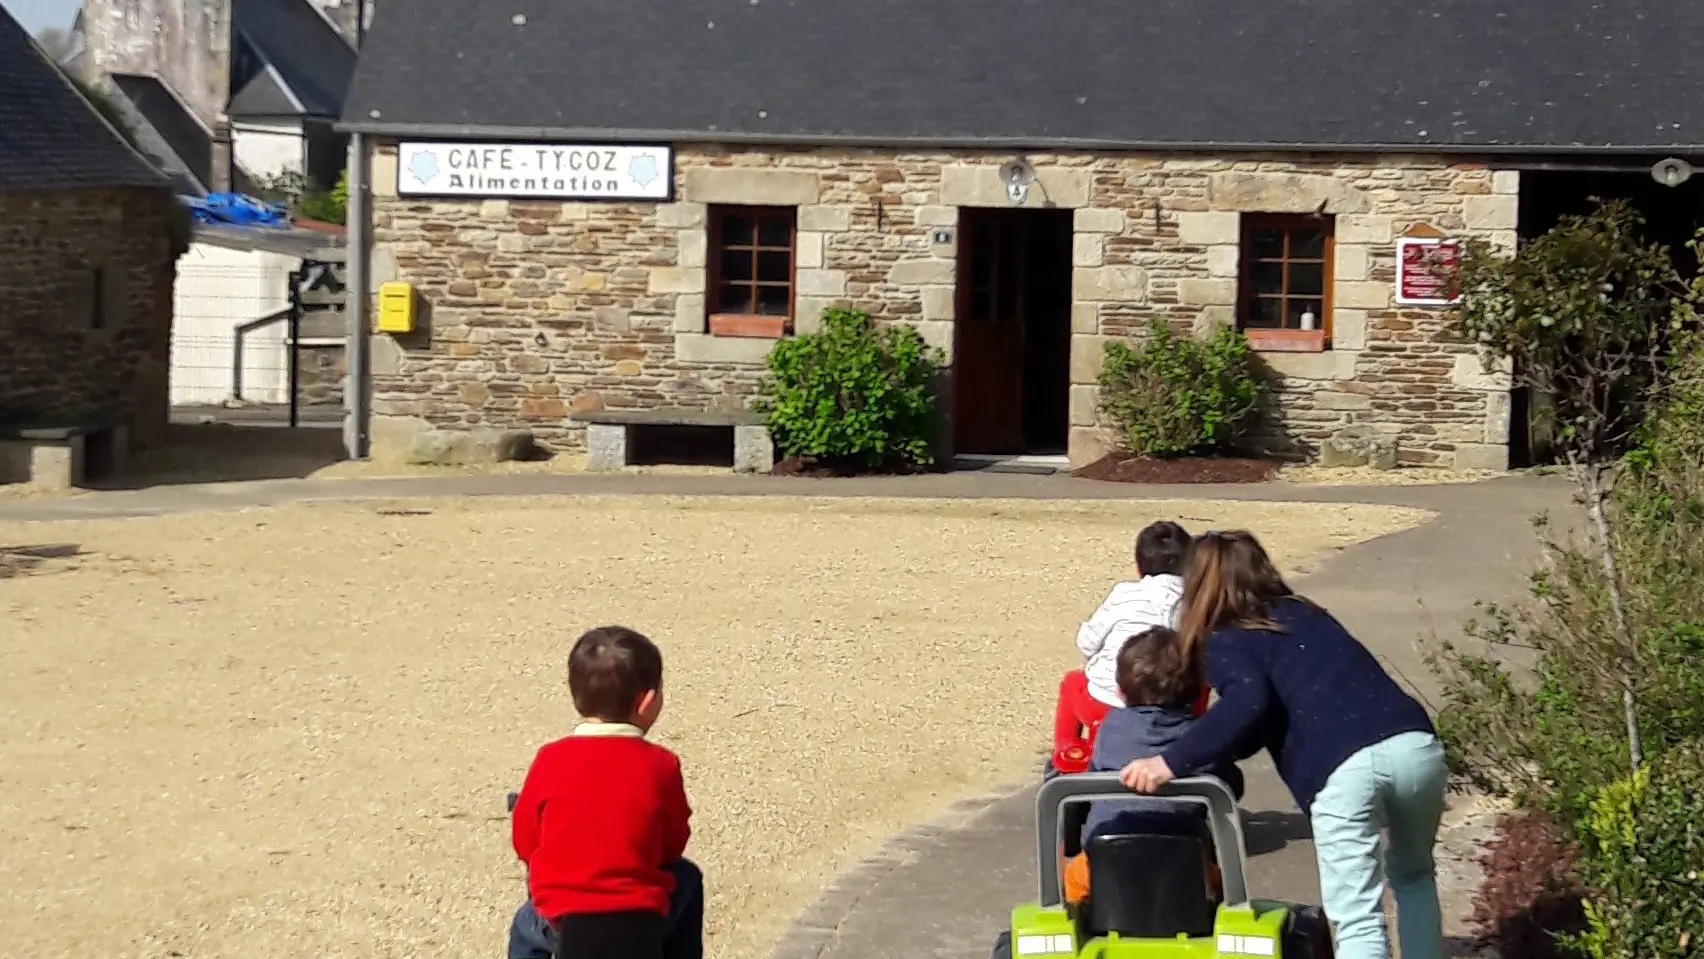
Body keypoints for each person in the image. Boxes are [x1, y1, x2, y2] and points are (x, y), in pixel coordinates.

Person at [1118, 531, 1447, 959]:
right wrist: (1220, 746)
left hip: (1342, 767)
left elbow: (1248, 703)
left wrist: (1171, 761)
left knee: (1358, 916)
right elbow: (1265, 712)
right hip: (1416, 747)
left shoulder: (1225, 637)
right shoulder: (1307, 614)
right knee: (1414, 875)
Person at [507, 626, 704, 959]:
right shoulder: (661, 764)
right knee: (687, 877)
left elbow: (526, 840)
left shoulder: (550, 759)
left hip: (563, 920)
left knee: (525, 928)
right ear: (648, 702)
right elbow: (673, 844)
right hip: (639, 918)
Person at [1060, 626, 1243, 904]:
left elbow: (1090, 783)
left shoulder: (1110, 729)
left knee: (1073, 875)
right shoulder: (1201, 739)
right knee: (1221, 882)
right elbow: (1232, 788)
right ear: (1197, 692)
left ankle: (1081, 919)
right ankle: (1213, 915)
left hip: (1107, 855)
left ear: (1119, 692)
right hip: (1186, 863)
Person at [1054, 521, 1194, 764]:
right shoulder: (1195, 603)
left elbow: (1086, 642)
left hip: (1106, 702)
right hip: (1172, 703)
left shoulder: (1123, 594)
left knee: (1072, 682)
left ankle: (1069, 754)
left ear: (1139, 567)